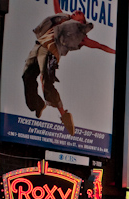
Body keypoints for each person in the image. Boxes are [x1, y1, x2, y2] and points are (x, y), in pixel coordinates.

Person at [22, 0, 115, 136]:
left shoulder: (79, 35)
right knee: (26, 77)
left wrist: (117, 52)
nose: (77, 11)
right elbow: (56, 4)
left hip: (51, 52)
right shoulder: (61, 18)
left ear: (82, 22)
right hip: (39, 46)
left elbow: (100, 46)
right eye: (76, 11)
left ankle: (64, 115)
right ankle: (37, 104)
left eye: (80, 13)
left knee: (47, 83)